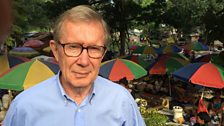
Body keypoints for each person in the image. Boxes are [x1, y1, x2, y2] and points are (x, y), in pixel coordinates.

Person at [3, 5, 145, 126]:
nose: (83, 61)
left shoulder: (122, 102)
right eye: (73, 47)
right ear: (55, 50)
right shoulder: (24, 107)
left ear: (102, 54)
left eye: (94, 48)